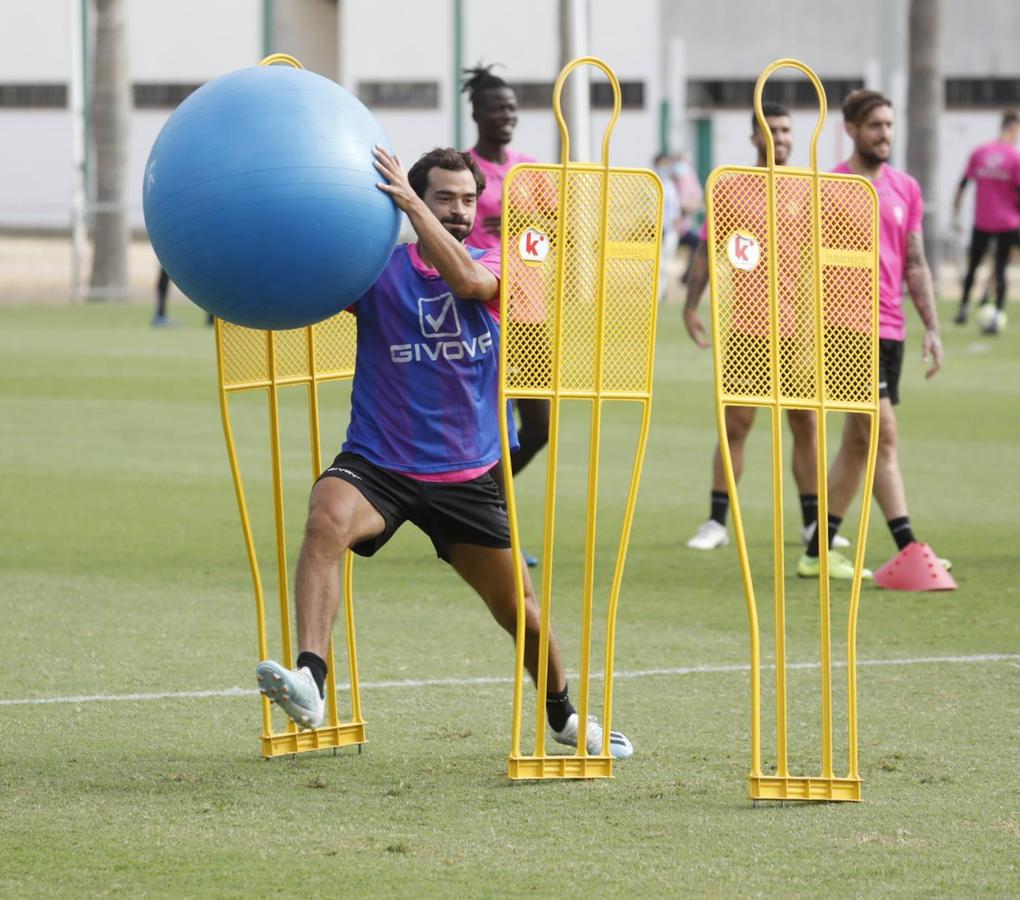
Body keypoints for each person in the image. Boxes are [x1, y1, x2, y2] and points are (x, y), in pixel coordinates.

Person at [255, 146, 632, 759]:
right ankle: (311, 683)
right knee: (325, 518)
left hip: (467, 475)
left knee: (522, 613)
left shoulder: (496, 259)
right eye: (442, 198)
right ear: (419, 201)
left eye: (466, 199)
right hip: (379, 462)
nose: (458, 211)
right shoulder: (376, 268)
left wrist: (408, 203)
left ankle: (563, 717)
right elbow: (306, 279)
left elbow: (468, 282)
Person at [683, 102, 848, 554]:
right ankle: (716, 520)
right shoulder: (731, 188)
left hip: (801, 330)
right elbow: (705, 252)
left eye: (787, 129)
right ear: (755, 136)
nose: (782, 137)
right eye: (772, 129)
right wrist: (692, 305)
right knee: (736, 425)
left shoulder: (811, 187)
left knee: (806, 423)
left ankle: (813, 524)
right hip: (747, 327)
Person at [799, 89, 948, 579]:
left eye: (888, 125)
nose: (885, 134)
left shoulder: (906, 187)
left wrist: (932, 327)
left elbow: (916, 262)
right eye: (875, 126)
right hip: (844, 329)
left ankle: (816, 552)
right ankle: (907, 545)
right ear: (851, 130)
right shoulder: (831, 187)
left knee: (859, 444)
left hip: (891, 330)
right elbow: (803, 260)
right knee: (883, 434)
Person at [461, 64, 547, 566]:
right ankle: (500, 528)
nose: (507, 115)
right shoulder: (464, 170)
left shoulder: (531, 169)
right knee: (494, 425)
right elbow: (456, 226)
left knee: (538, 428)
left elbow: (551, 232)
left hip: (532, 310)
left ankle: (474, 500)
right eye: (498, 108)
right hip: (484, 311)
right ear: (477, 113)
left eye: (512, 108)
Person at [951, 110, 1020, 333]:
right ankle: (997, 313)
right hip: (1008, 222)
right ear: (1012, 128)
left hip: (982, 220)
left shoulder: (979, 152)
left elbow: (963, 184)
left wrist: (956, 212)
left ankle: (963, 308)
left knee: (974, 266)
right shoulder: (1014, 158)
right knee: (1000, 269)